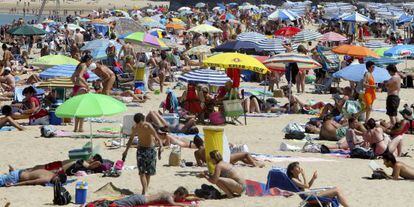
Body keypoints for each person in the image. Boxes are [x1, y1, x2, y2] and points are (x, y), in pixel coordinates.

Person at [122, 113, 163, 195]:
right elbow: (130, 140)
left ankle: (145, 190)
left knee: (148, 172)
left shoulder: (148, 126)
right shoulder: (135, 128)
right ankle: (145, 191)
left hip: (150, 150)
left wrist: (161, 147)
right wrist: (125, 151)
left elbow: (158, 138)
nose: (141, 124)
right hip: (141, 150)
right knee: (142, 172)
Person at [193, 137, 263, 168]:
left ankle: (255, 163)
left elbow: (199, 164)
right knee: (245, 154)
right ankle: (255, 164)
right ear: (202, 142)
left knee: (240, 158)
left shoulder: (196, 153)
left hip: (217, 163)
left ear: (195, 144)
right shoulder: (207, 148)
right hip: (224, 160)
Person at [9, 154, 103, 175]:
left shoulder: (88, 165)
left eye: (92, 157)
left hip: (59, 168)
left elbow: (98, 163)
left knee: (37, 170)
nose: (90, 157)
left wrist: (96, 161)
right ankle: (17, 171)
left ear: (94, 160)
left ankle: (16, 173)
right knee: (36, 167)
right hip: (58, 164)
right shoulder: (85, 163)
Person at [106, 187, 193, 207]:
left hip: (139, 197)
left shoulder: (169, 193)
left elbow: (189, 197)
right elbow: (173, 203)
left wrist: (198, 198)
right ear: (177, 194)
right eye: (182, 197)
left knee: (119, 203)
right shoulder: (169, 197)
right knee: (117, 205)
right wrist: (185, 205)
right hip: (140, 200)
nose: (183, 199)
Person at [71, 54, 92, 132]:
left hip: (76, 88)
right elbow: (80, 76)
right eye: (91, 61)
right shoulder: (84, 66)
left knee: (78, 108)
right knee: (82, 108)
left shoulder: (79, 65)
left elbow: (72, 77)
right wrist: (86, 85)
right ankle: (80, 128)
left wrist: (76, 84)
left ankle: (76, 128)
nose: (91, 62)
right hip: (82, 88)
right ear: (88, 60)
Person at [0, 168, 66, 187]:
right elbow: (28, 182)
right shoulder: (46, 179)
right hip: (15, 177)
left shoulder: (51, 173)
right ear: (57, 176)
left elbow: (59, 169)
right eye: (58, 181)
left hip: (20, 172)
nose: (57, 182)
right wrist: (13, 185)